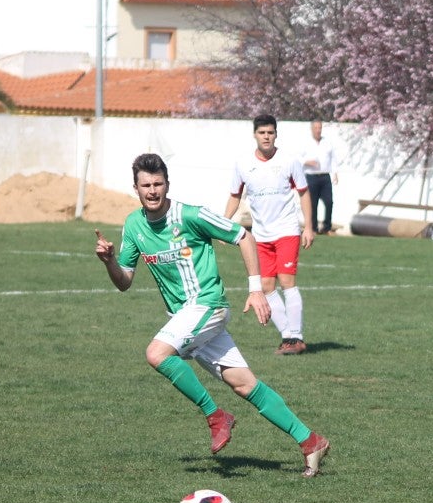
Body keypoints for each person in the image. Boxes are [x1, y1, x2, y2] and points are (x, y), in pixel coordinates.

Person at [95, 152, 330, 478]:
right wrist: (109, 262)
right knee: (245, 385)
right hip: (187, 317)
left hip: (207, 306)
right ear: (135, 188)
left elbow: (243, 236)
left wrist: (255, 289)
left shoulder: (190, 216)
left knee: (156, 353)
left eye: (158, 184)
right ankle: (310, 441)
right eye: (146, 185)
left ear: (167, 184)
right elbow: (124, 282)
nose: (152, 191)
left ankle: (216, 415)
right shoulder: (134, 225)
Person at [226, 114, 314, 356]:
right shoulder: (243, 164)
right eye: (262, 132)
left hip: (287, 230)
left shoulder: (289, 161)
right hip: (261, 235)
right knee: (266, 286)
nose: (266, 136)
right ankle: (289, 337)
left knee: (286, 282)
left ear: (276, 134)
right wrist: (223, 223)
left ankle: (295, 337)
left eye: (270, 132)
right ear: (255, 134)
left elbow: (304, 193)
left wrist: (308, 226)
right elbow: (235, 196)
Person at [301, 119, 339, 235]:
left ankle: (327, 227)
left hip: (325, 177)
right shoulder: (305, 143)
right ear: (312, 129)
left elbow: (333, 159)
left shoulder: (327, 143)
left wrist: (335, 173)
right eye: (316, 128)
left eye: (320, 128)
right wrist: (306, 162)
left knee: (329, 202)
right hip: (311, 177)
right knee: (313, 203)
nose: (318, 130)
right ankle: (313, 228)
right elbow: (296, 158)